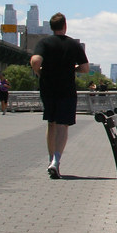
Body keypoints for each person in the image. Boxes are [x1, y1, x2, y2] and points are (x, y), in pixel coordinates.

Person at [30, 13, 89, 179]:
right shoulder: (73, 44)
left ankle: (50, 159)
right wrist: (73, 69)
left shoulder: (44, 42)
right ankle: (56, 160)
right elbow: (85, 68)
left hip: (48, 88)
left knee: (52, 123)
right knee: (63, 126)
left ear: (51, 27)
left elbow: (35, 61)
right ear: (65, 26)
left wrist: (39, 72)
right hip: (67, 89)